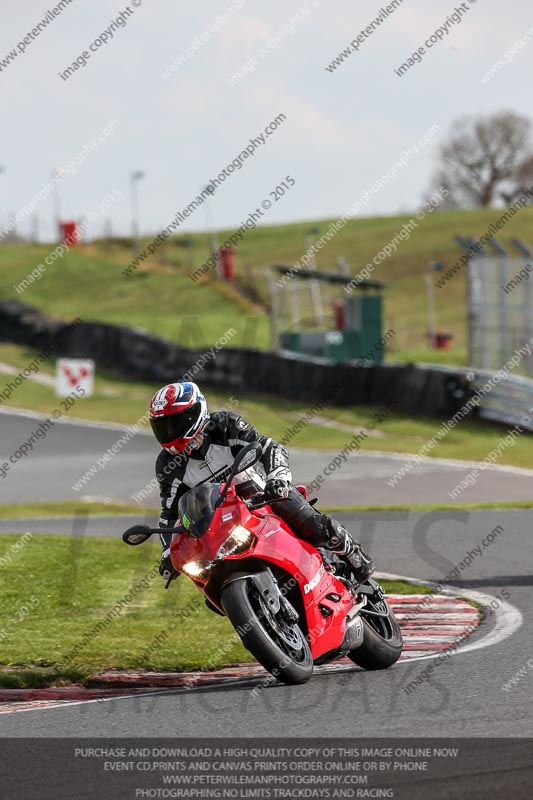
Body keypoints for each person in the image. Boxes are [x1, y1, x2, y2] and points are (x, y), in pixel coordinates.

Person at [149, 381, 374, 587]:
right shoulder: (168, 464)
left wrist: (278, 478)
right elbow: (170, 512)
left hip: (262, 496)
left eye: (174, 423)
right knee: (209, 579)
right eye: (162, 426)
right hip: (219, 521)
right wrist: (168, 552)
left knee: (312, 524)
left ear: (194, 413)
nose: (169, 432)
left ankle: (352, 554)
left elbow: (268, 447)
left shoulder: (225, 425)